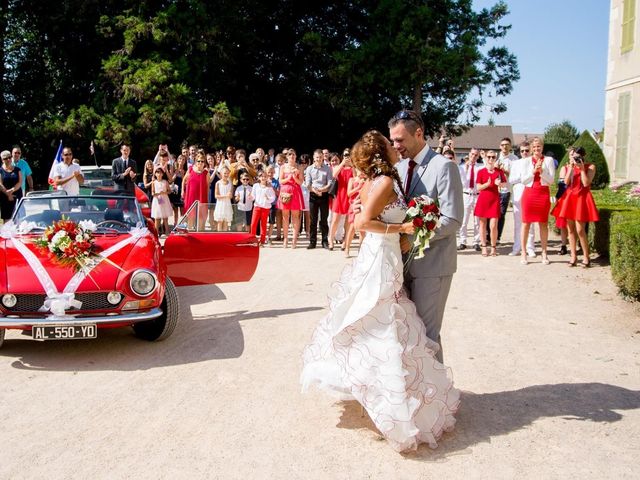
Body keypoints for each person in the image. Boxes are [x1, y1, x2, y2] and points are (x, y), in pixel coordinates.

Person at [301, 130, 459, 452]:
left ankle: (390, 388)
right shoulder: (384, 182)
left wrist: (407, 229)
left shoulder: (386, 179)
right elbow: (362, 223)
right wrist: (403, 227)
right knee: (381, 316)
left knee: (387, 316)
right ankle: (382, 391)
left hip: (388, 253)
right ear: (381, 152)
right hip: (380, 255)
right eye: (389, 144)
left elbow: (369, 214)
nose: (394, 146)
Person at [388, 109, 464, 362]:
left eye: (400, 140)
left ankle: (436, 397)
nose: (395, 145)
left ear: (419, 133)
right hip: (402, 263)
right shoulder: (398, 167)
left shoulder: (444, 167)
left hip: (433, 264)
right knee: (406, 331)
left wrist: (413, 239)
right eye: (393, 140)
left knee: (427, 335)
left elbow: (452, 219)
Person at [551, 147, 599, 267]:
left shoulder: (591, 167)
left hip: (582, 198)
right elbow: (565, 183)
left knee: (580, 229)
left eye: (578, 156)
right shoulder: (568, 167)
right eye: (573, 156)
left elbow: (586, 183)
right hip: (570, 198)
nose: (575, 158)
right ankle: (573, 257)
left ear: (583, 156)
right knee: (570, 230)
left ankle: (586, 257)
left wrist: (582, 169)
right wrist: (571, 168)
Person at [512, 137, 555, 265]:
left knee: (543, 224)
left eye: (539, 146)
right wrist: (533, 171)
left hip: (542, 194)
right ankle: (524, 252)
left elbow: (551, 180)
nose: (536, 149)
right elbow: (524, 180)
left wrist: (541, 172)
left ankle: (544, 252)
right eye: (534, 147)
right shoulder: (526, 161)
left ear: (542, 147)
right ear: (531, 148)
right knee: (526, 223)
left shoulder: (548, 160)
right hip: (529, 194)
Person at [474, 150, 507, 256]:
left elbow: (505, 184)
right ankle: (484, 247)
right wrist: (488, 184)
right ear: (486, 158)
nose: (491, 159)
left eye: (493, 157)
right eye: (489, 157)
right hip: (483, 200)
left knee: (493, 226)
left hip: (494, 200)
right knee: (482, 224)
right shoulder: (481, 171)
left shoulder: (499, 171)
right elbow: (478, 187)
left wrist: (499, 184)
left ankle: (493, 247)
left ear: (495, 158)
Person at [508, 142, 536, 257]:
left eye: (527, 150)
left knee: (531, 224)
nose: (524, 153)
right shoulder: (515, 163)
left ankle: (530, 248)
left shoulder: (533, 162)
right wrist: (523, 177)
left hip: (530, 194)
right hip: (518, 195)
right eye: (522, 151)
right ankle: (517, 247)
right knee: (518, 224)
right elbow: (511, 179)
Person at [305, 149, 332, 249]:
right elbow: (307, 184)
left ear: (323, 157)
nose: (319, 159)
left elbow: (329, 183)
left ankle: (325, 241)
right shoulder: (309, 169)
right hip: (313, 195)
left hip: (324, 195)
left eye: (320, 157)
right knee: (313, 220)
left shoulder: (328, 169)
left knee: (324, 220)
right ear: (313, 157)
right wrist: (315, 191)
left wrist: (322, 189)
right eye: (317, 157)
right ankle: (313, 242)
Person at [278, 148, 304, 248]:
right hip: (285, 192)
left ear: (296, 156)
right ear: (287, 157)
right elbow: (280, 181)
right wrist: (288, 178)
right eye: (290, 155)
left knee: (295, 217)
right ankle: (285, 239)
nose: (292, 156)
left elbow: (301, 182)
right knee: (285, 217)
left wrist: (294, 177)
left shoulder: (299, 167)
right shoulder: (283, 167)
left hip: (296, 192)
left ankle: (294, 239)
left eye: (293, 154)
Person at [457, 147, 482, 251]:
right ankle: (463, 241)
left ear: (478, 156)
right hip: (466, 194)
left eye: (476, 155)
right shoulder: (461, 167)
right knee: (464, 220)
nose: (473, 156)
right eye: (472, 154)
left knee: (477, 220)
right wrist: (466, 169)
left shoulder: (480, 167)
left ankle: (476, 241)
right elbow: (461, 182)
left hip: (477, 194)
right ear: (469, 154)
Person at [328, 149, 353, 250]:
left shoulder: (353, 167)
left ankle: (345, 240)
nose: (347, 156)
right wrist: (342, 163)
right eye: (345, 155)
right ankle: (331, 238)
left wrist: (352, 165)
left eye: (349, 154)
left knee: (348, 220)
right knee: (335, 219)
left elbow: (356, 177)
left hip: (350, 194)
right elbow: (334, 175)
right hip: (340, 195)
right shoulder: (338, 167)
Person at [495, 137, 517, 242]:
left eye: (507, 144)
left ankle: (498, 237)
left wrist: (504, 170)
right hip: (493, 190)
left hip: (505, 190)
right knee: (491, 213)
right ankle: (489, 236)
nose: (505, 146)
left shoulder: (514, 159)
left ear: (510, 146)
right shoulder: (494, 157)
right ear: (500, 146)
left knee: (501, 213)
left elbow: (515, 176)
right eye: (503, 144)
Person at [182, 153, 211, 230]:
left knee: (201, 217)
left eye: (202, 161)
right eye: (198, 161)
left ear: (204, 162)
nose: (200, 163)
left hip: (201, 197)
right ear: (195, 161)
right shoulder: (190, 169)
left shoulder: (206, 173)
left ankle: (200, 234)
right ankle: (190, 233)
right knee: (190, 216)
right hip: (190, 197)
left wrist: (206, 198)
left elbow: (208, 186)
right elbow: (184, 180)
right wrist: (182, 191)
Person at [343, 168, 366, 257]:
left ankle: (361, 250)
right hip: (353, 205)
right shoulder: (352, 180)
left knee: (362, 230)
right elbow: (349, 193)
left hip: (363, 205)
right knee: (352, 228)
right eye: (360, 169)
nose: (361, 172)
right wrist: (358, 187)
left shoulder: (367, 180)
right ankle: (347, 248)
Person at [250, 170, 276, 245]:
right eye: (261, 176)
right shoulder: (255, 186)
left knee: (263, 224)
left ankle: (262, 241)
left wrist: (268, 199)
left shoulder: (269, 187)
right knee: (253, 224)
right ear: (259, 177)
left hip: (265, 208)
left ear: (267, 177)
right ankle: (252, 239)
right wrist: (250, 197)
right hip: (257, 207)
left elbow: (273, 198)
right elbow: (253, 196)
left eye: (265, 176)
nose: (263, 177)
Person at [0, 150, 23, 221]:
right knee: (7, 221)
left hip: (18, 196)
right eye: (5, 158)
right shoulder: (0, 170)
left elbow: (20, 182)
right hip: (5, 198)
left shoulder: (17, 169)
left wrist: (12, 190)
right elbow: (0, 184)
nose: (8, 159)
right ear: (2, 160)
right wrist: (8, 194)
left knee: (20, 219)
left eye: (9, 157)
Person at [151, 168, 173, 236]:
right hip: (157, 200)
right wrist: (155, 194)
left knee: (165, 217)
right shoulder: (153, 182)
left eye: (160, 173)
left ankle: (167, 232)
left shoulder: (165, 182)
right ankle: (156, 233)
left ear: (163, 174)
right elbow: (152, 192)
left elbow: (169, 191)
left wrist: (164, 192)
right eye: (157, 173)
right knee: (157, 218)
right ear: (155, 174)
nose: (159, 174)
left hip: (164, 199)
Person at [213, 166, 234, 231]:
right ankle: (219, 238)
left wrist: (230, 196)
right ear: (221, 174)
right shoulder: (218, 183)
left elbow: (231, 196)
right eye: (225, 173)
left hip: (227, 204)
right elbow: (216, 196)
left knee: (226, 223)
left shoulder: (230, 183)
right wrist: (225, 196)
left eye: (227, 173)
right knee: (220, 222)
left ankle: (225, 237)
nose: (226, 175)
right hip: (220, 205)